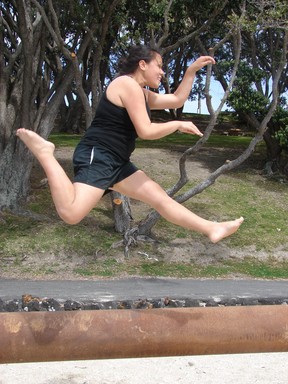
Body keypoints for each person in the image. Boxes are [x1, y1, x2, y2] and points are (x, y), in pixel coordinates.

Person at [16, 45, 243, 243]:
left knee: (159, 198)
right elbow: (145, 131)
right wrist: (176, 124)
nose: (162, 72)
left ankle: (212, 228)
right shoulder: (126, 84)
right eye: (160, 66)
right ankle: (46, 153)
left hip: (117, 161)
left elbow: (177, 99)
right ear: (143, 64)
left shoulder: (142, 93)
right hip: (100, 154)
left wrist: (191, 71)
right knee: (71, 213)